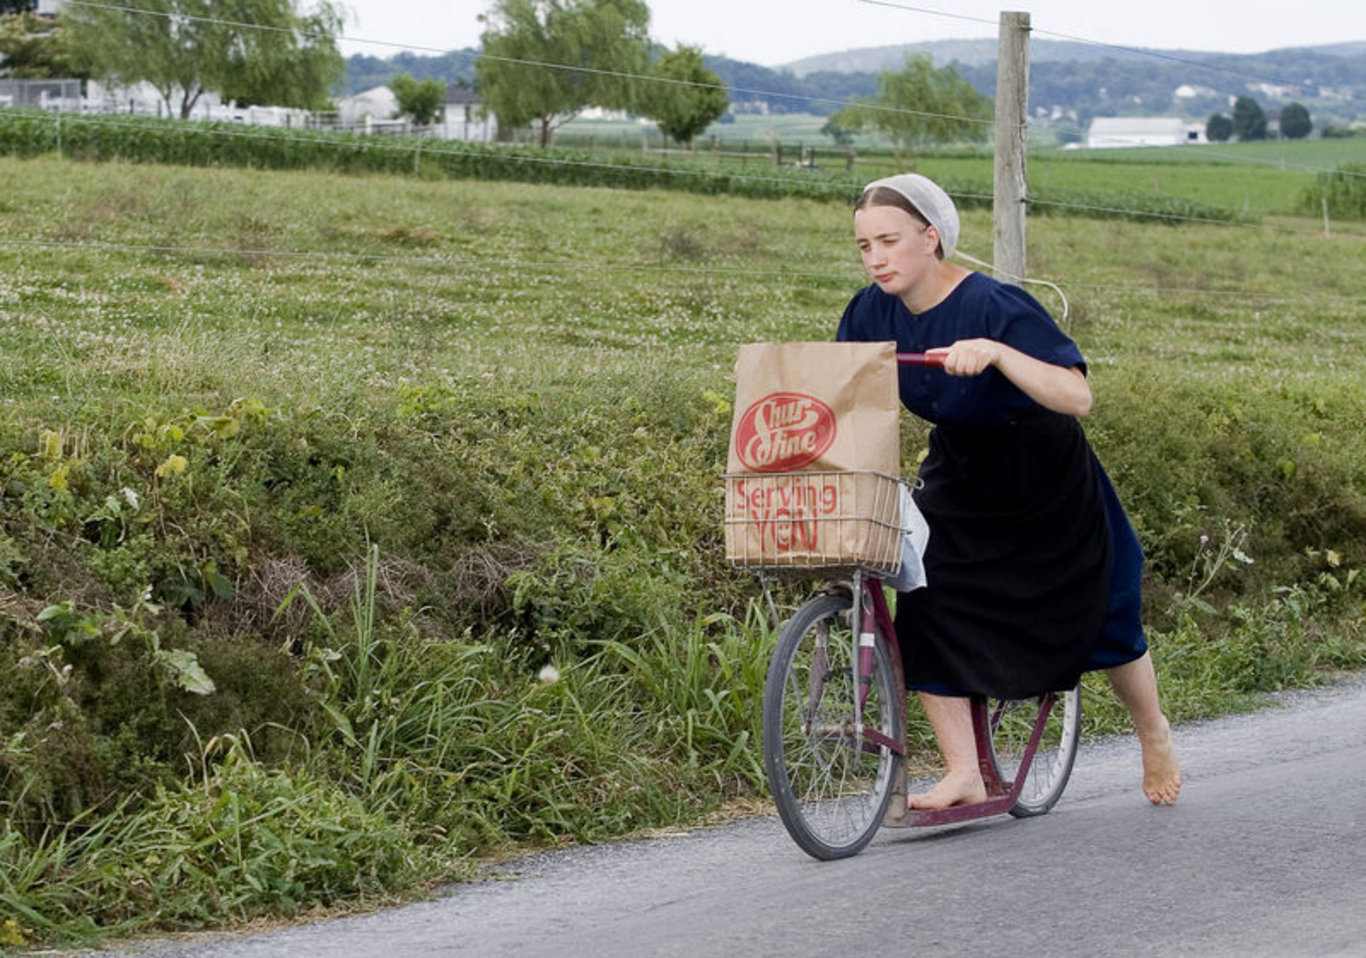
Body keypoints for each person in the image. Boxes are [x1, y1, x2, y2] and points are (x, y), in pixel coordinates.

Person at [836, 173, 1182, 809]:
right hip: (962, 467)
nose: (876, 257)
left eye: (888, 240)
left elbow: (1077, 396)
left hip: (1042, 472)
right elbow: (841, 392)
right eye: (864, 246)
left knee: (1104, 611)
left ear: (931, 239)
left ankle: (1152, 731)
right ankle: (964, 771)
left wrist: (996, 353)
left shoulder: (995, 305)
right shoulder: (869, 312)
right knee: (928, 598)